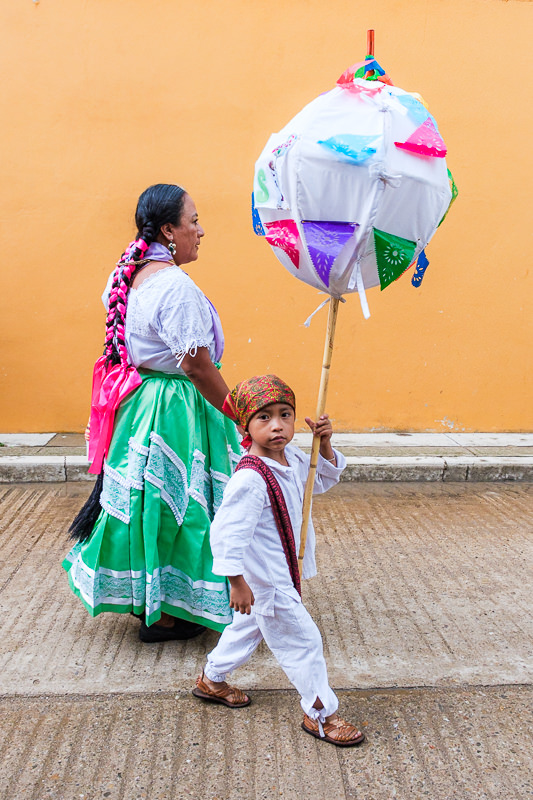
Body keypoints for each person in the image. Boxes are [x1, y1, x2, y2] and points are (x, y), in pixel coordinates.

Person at [63, 183, 242, 643]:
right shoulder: (174, 287)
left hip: (141, 402)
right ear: (169, 229)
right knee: (181, 504)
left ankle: (154, 604)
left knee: (150, 501)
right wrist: (240, 412)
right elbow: (197, 364)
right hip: (176, 407)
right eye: (194, 221)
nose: (200, 231)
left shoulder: (126, 274)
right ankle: (167, 611)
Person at [192, 375, 366, 747]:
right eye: (264, 418)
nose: (277, 426)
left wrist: (327, 443)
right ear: (244, 426)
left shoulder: (292, 458)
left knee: (249, 627)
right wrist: (236, 582)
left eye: (285, 415)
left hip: (282, 571)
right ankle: (321, 715)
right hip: (267, 577)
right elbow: (226, 533)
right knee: (303, 641)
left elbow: (320, 481)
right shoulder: (250, 479)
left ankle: (212, 678)